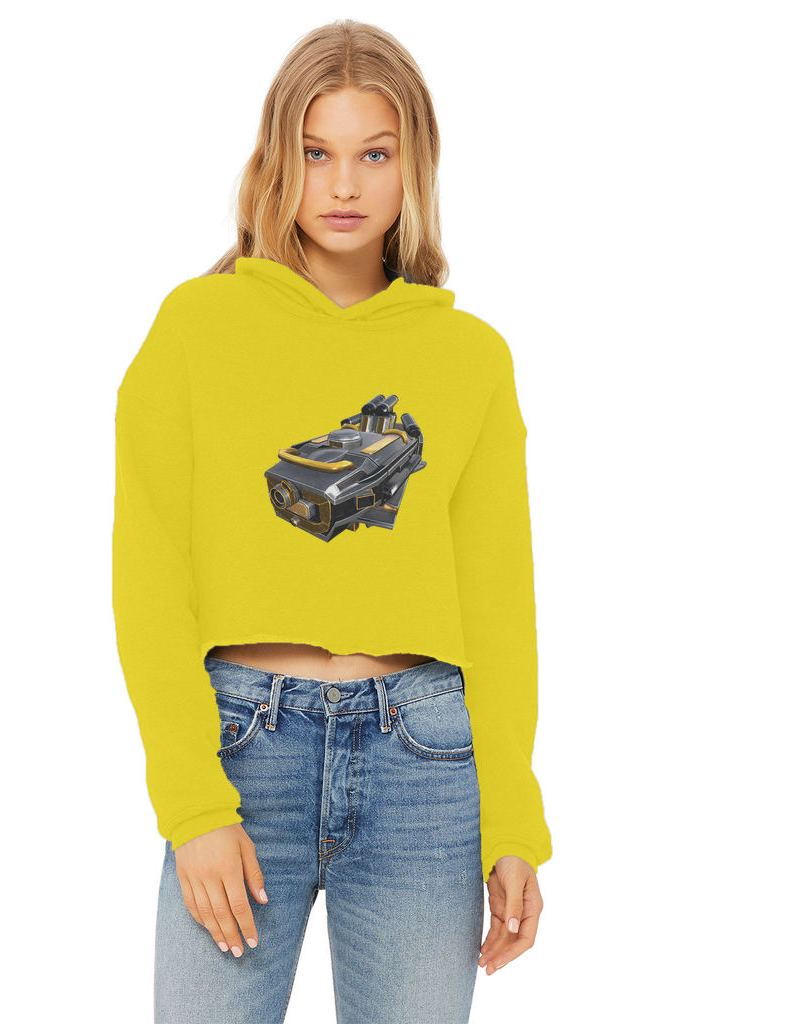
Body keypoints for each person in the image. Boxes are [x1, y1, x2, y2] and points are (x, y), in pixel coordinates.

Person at [112, 19, 552, 1023]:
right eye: (316, 153)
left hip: (424, 761)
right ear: (279, 160)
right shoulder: (196, 326)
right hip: (241, 749)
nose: (343, 185)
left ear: (414, 166)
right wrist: (191, 801)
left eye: (374, 154)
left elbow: (497, 605)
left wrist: (514, 821)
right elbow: (149, 575)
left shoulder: (470, 358)